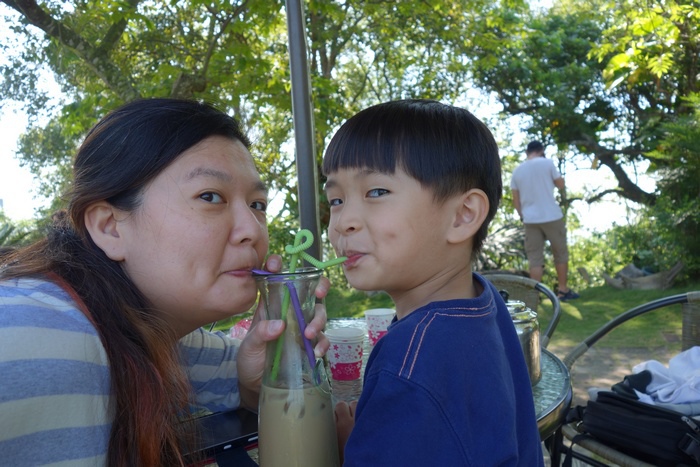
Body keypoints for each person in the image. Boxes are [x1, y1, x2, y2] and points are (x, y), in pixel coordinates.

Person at [0, 98, 330, 466]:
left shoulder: (159, 333)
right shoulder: (41, 336)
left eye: (257, 205)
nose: (252, 230)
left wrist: (271, 366)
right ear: (110, 228)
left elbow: (243, 382)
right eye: (210, 197)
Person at [323, 99, 543, 466]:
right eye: (335, 199)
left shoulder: (408, 361)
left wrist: (350, 450)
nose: (343, 222)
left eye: (376, 192)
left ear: (463, 215)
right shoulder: (482, 303)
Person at [510, 140, 579, 301]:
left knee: (535, 259)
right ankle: (562, 290)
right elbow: (560, 184)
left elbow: (516, 199)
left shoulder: (517, 171)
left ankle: (535, 296)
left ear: (527, 152)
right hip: (552, 216)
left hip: (530, 219)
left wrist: (523, 216)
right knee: (560, 253)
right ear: (541, 150)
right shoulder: (547, 163)